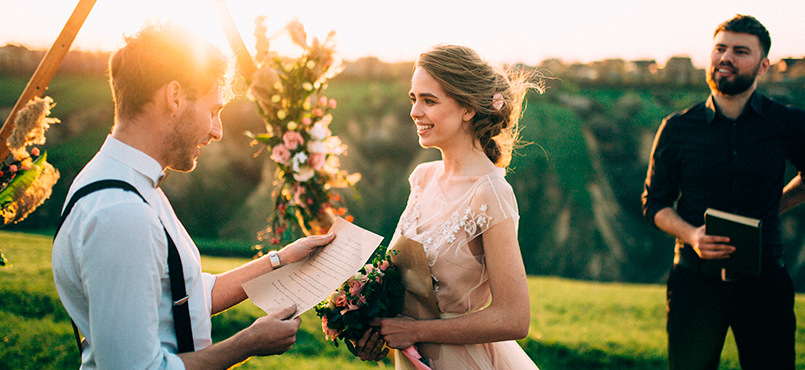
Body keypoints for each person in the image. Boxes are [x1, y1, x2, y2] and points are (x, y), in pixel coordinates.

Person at [52, 22, 335, 369]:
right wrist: (247, 343)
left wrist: (280, 261)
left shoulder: (128, 184)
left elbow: (182, 296)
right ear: (175, 97)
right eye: (214, 110)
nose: (217, 130)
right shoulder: (122, 213)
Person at [642, 14, 805, 370]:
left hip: (765, 284)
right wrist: (692, 235)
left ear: (763, 65)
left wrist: (770, 206)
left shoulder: (789, 124)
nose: (726, 57)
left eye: (740, 51)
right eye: (720, 48)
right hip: (694, 284)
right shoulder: (676, 127)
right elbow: (654, 203)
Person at [354, 45, 542, 370]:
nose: (414, 111)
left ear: (467, 108)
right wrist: (371, 328)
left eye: (429, 100)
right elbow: (400, 277)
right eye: (413, 99)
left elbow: (514, 318)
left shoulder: (491, 193)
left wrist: (416, 331)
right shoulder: (422, 177)